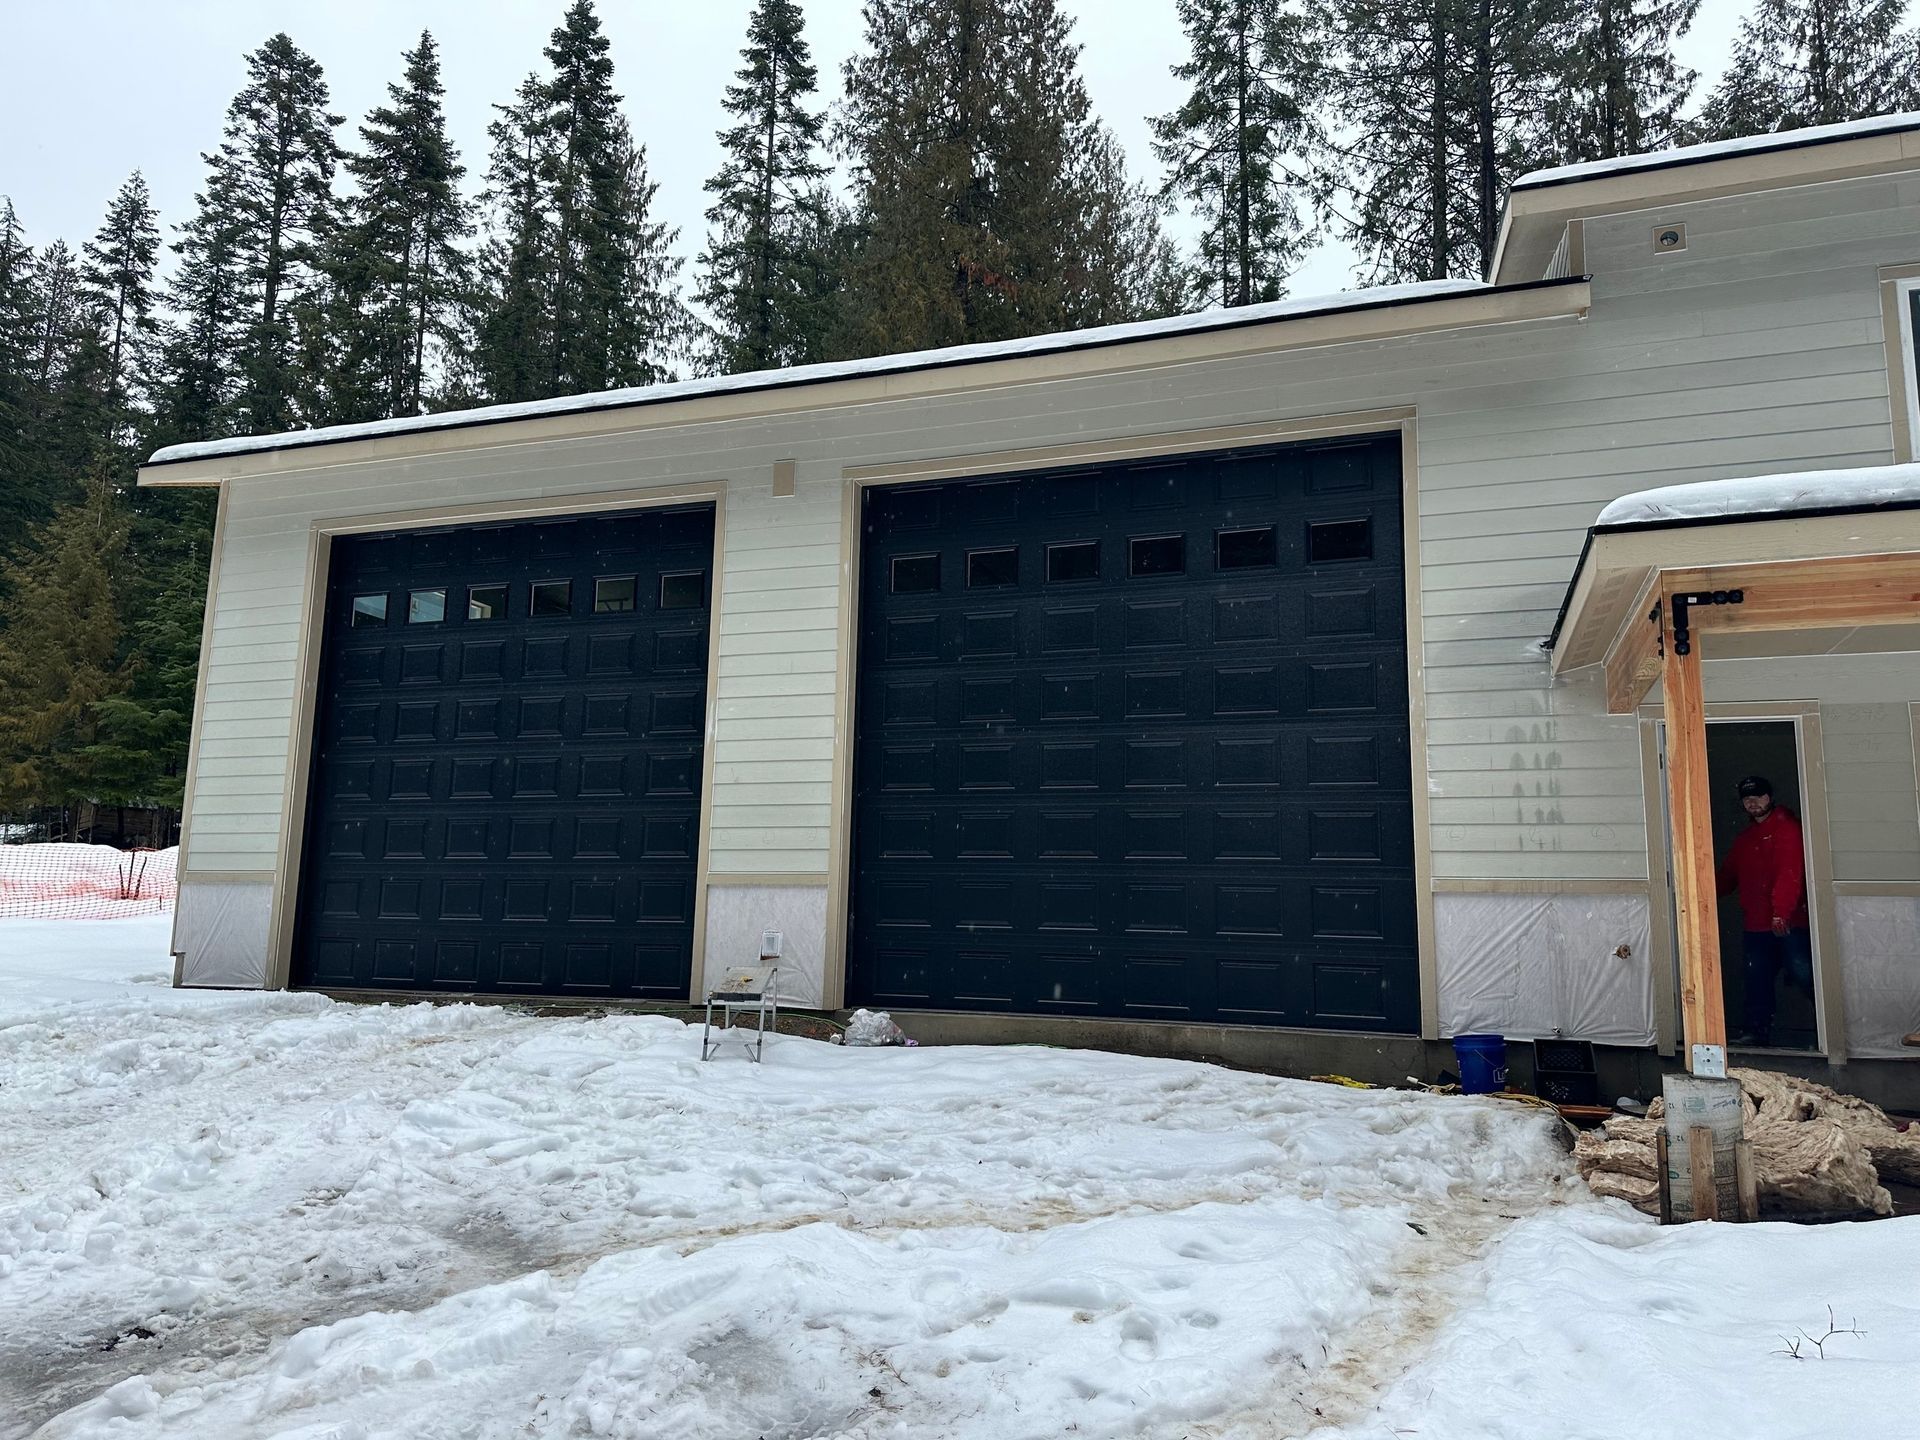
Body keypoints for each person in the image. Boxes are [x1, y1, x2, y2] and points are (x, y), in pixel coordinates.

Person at [1715, 774, 1813, 1047]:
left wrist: (1781, 912)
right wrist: (1699, 896)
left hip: (1789, 922)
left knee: (1804, 974)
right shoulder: (1746, 839)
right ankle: (1756, 1034)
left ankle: (1831, 1033)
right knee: (1756, 980)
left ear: (1770, 797)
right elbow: (1728, 875)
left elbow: (1789, 873)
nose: (1753, 802)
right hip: (1756, 924)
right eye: (1747, 798)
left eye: (1758, 796)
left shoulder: (1787, 829)